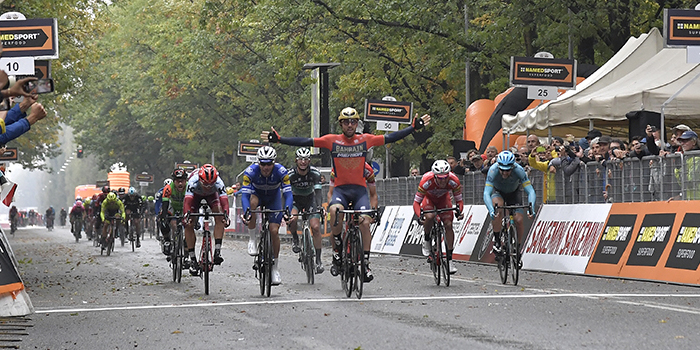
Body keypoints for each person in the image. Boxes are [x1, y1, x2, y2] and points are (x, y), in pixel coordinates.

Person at [262, 107, 429, 283]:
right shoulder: (332, 141)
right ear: (341, 124)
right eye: (346, 122)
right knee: (334, 211)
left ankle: (365, 264)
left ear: (357, 124)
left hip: (359, 191)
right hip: (341, 191)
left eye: (353, 121)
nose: (350, 125)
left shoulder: (365, 140)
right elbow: (305, 141)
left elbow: (390, 138)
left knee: (365, 222)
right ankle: (337, 252)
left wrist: (412, 128)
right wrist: (280, 139)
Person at [240, 146, 293, 285]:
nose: (266, 167)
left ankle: (275, 268)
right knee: (251, 204)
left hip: (273, 199)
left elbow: (288, 194)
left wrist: (287, 210)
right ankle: (252, 239)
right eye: (263, 163)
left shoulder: (281, 172)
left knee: (274, 231)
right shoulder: (250, 172)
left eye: (269, 163)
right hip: (257, 196)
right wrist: (247, 212)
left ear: (274, 162)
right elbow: (244, 196)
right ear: (258, 163)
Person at [413, 160, 464, 274]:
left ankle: (450, 261)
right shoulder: (426, 181)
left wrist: (459, 212)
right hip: (429, 199)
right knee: (430, 216)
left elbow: (459, 201)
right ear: (434, 176)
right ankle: (426, 239)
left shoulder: (454, 181)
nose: (443, 181)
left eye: (445, 177)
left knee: (448, 224)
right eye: (440, 178)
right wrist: (420, 215)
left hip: (443, 199)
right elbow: (416, 203)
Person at [483, 151, 537, 254]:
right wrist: (491, 210)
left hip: (514, 193)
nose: (504, 173)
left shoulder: (519, 170)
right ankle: (497, 241)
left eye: (507, 170)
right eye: (502, 170)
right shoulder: (493, 170)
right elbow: (486, 193)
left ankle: (518, 248)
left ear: (512, 167)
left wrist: (532, 208)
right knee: (497, 208)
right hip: (498, 192)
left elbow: (530, 191)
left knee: (519, 220)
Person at [183, 164, 230, 276]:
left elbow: (224, 202)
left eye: (211, 184)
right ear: (200, 179)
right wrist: (187, 216)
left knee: (220, 216)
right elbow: (187, 202)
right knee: (189, 223)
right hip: (195, 196)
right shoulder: (193, 181)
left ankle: (217, 251)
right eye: (205, 184)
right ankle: (193, 258)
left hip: (212, 196)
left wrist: (226, 216)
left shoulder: (219, 182)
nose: (208, 186)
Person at [286, 147, 325, 273]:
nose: (303, 162)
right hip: (295, 200)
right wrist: (285, 209)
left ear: (309, 161)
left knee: (315, 227)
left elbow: (318, 192)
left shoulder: (315, 173)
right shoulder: (290, 175)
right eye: (300, 159)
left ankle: (318, 260)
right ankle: (295, 239)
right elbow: (285, 194)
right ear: (296, 161)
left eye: (306, 159)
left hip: (310, 199)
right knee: (293, 218)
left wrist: (319, 207)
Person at [159, 168, 187, 256]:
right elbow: (165, 204)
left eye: (182, 181)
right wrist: (164, 217)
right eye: (177, 181)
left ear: (186, 181)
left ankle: (186, 247)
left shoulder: (189, 188)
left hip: (184, 206)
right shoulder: (168, 188)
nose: (180, 184)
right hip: (172, 207)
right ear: (173, 181)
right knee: (163, 220)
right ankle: (167, 240)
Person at [671, 131, 700, 200]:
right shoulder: (686, 158)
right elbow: (682, 183)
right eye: (681, 141)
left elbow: (691, 181)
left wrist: (680, 168)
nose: (682, 143)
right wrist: (678, 167)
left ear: (694, 142)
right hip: (690, 200)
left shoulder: (697, 159)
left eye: (685, 141)